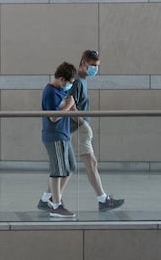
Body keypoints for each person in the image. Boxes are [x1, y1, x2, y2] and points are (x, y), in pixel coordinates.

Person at [37, 50, 125, 212]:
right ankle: (100, 199)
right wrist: (82, 123)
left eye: (97, 66)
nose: (95, 69)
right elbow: (68, 105)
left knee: (69, 167)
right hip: (74, 129)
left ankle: (47, 198)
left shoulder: (80, 81)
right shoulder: (74, 82)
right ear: (83, 63)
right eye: (92, 65)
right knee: (74, 166)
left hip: (73, 129)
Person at [40, 61, 78, 218]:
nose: (69, 86)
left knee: (71, 167)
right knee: (58, 170)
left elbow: (67, 110)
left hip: (64, 135)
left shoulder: (60, 91)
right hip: (54, 135)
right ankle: (56, 205)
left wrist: (72, 107)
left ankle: (48, 198)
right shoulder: (50, 92)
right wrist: (69, 105)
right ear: (62, 79)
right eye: (69, 83)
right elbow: (53, 116)